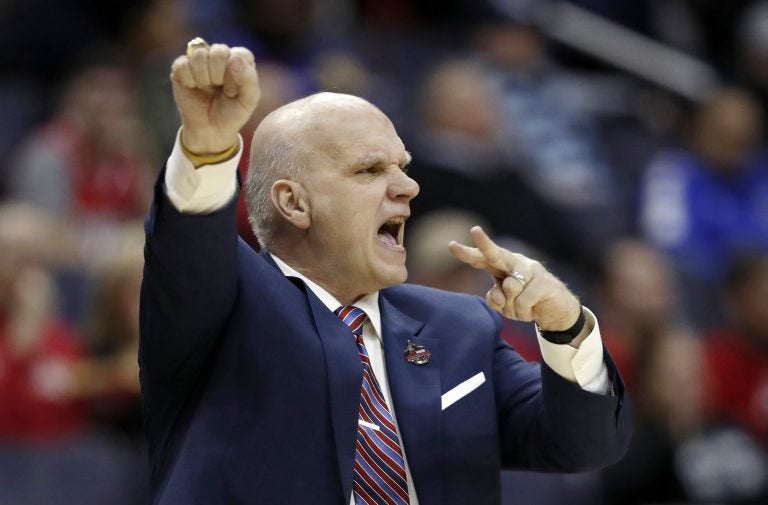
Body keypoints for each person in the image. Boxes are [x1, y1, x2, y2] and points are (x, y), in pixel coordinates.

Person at [139, 39, 631, 505]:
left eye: (404, 166)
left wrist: (567, 326)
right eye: (370, 170)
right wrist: (206, 150)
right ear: (293, 202)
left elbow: (584, 447)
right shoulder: (224, 305)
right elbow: (189, 244)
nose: (409, 187)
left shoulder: (459, 327)